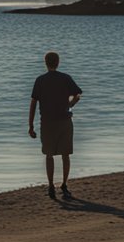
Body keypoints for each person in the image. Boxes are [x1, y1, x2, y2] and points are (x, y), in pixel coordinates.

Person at [28, 51, 83, 200]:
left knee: (49, 155)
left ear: (45, 63)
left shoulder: (40, 80)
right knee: (65, 155)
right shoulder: (65, 78)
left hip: (47, 122)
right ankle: (64, 185)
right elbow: (77, 95)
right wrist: (69, 105)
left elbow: (33, 103)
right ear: (58, 62)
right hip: (65, 120)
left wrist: (30, 125)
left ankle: (51, 185)